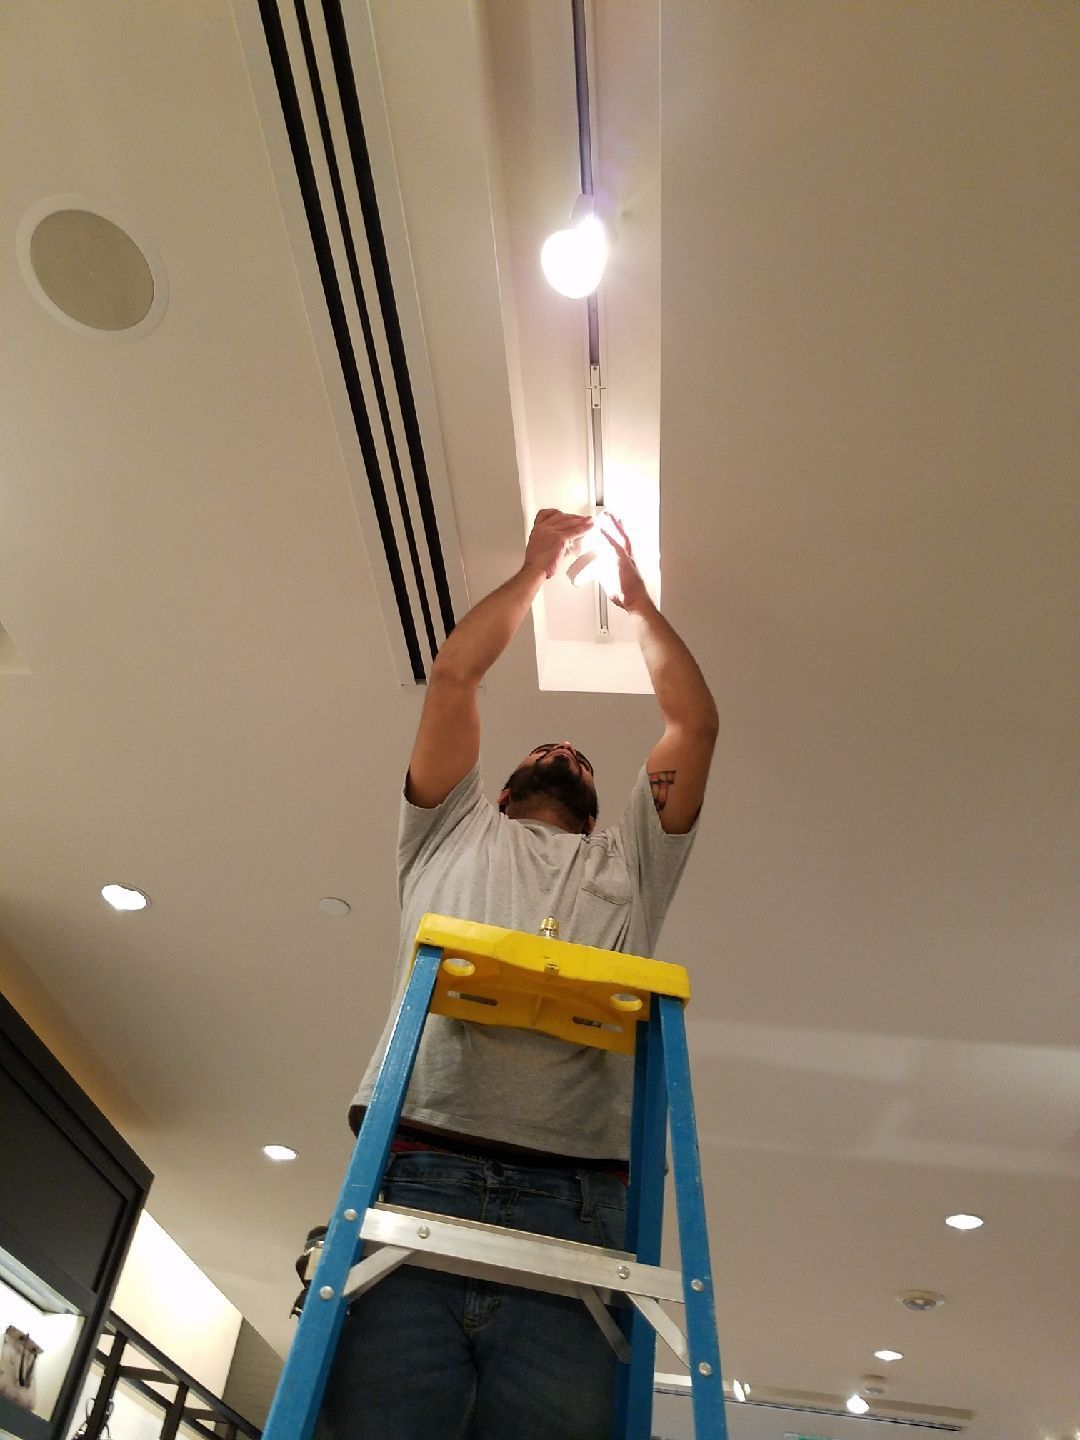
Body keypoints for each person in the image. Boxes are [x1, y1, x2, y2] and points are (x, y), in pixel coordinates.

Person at [318, 509, 718, 1440]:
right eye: (549, 750)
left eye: (582, 755)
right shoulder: (447, 831)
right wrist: (537, 569)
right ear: (494, 791)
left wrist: (639, 604)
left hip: (574, 1214)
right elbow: (456, 672)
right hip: (418, 1172)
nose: (567, 750)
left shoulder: (630, 868)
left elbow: (693, 723)